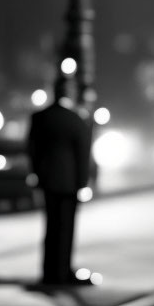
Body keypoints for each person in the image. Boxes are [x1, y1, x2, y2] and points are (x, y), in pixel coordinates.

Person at [26, 77, 94, 286]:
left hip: (47, 181)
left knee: (50, 227)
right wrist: (83, 183)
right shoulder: (76, 119)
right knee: (66, 229)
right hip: (70, 183)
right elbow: (83, 154)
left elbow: (32, 148)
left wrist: (37, 173)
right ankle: (62, 271)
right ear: (70, 93)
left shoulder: (41, 117)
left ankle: (48, 272)